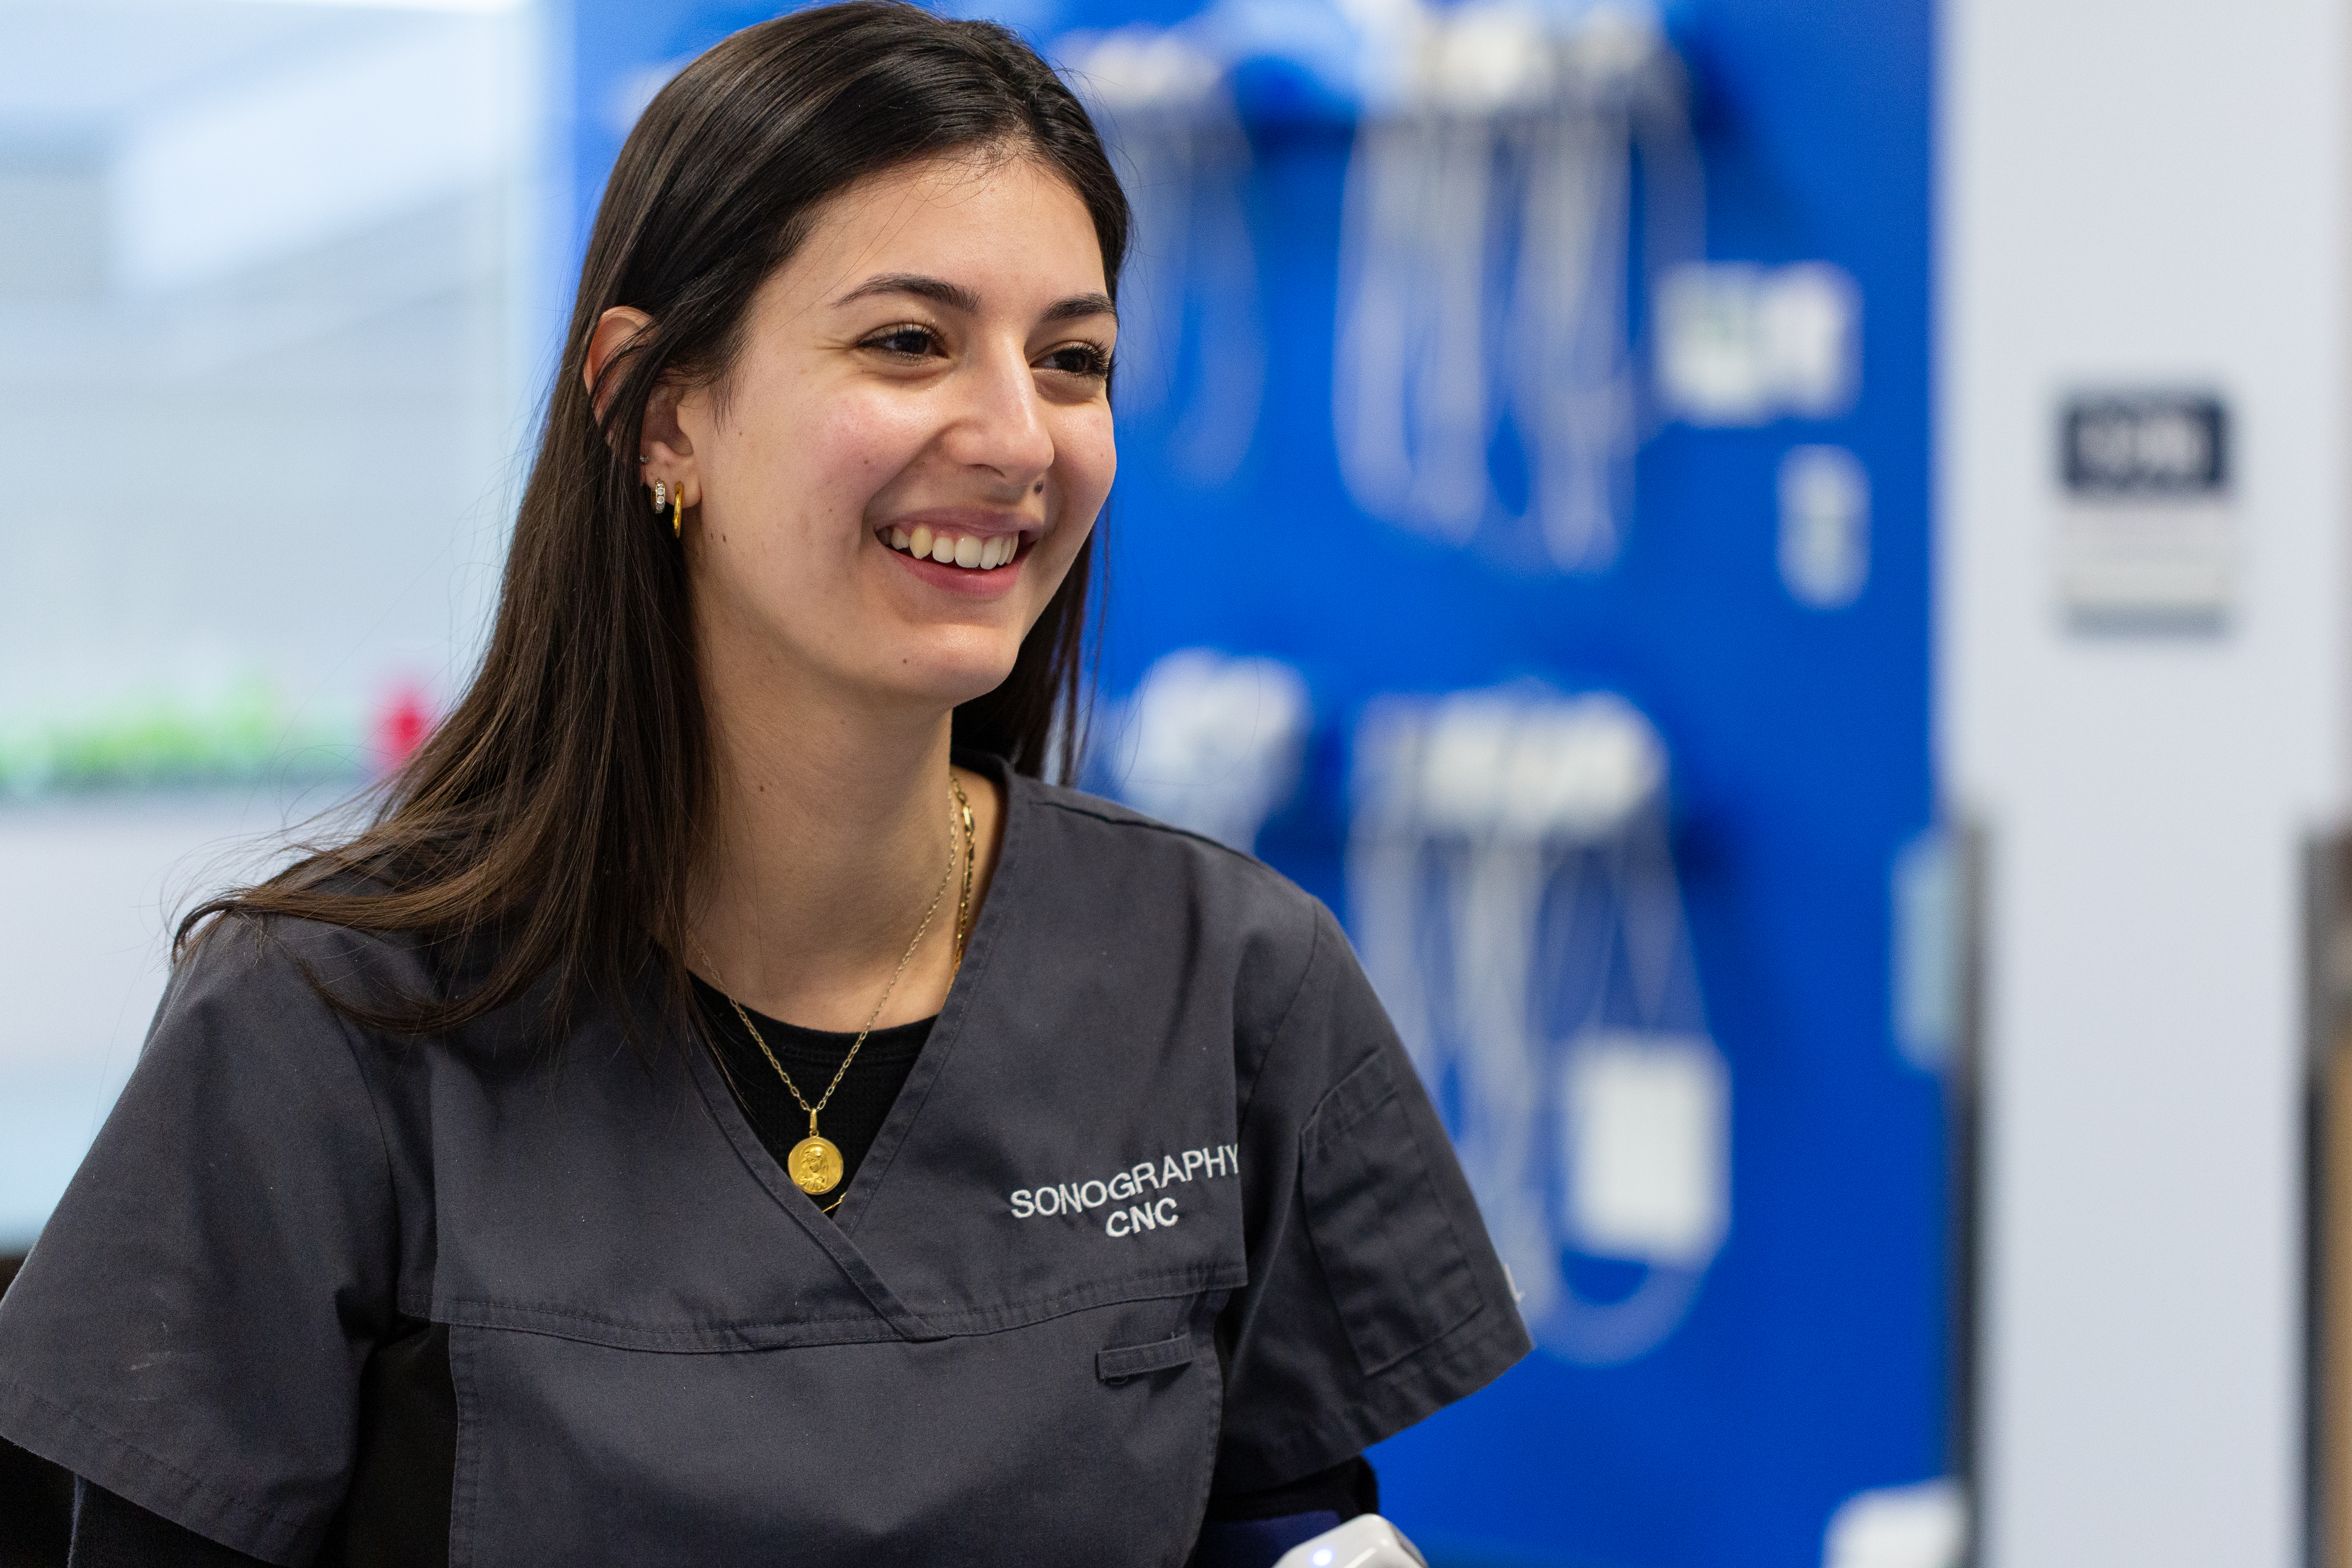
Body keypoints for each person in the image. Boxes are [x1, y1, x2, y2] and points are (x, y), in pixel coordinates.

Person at [0, 6, 1530, 1564]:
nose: (1018, 436)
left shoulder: (1228, 988)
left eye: (1074, 361)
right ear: (661, 409)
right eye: (907, 340)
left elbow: (1283, 1526)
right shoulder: (320, 1035)